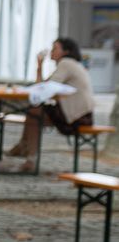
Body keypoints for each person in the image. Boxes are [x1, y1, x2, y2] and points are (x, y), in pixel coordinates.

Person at [7, 37, 95, 168]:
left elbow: (45, 88)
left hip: (77, 116)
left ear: (66, 51)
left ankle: (28, 155)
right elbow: (42, 87)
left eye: (55, 48)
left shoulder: (66, 63)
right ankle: (26, 150)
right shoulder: (68, 64)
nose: (51, 51)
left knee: (34, 114)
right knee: (34, 113)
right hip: (81, 114)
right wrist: (39, 66)